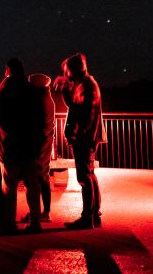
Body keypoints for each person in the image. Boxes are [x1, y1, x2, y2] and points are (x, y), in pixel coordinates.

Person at [0, 58, 45, 234]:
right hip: (29, 145)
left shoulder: (6, 88)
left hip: (11, 146)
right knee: (32, 185)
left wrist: (9, 131)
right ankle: (35, 222)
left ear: (8, 70)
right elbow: (40, 116)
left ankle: (9, 224)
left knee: (9, 186)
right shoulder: (31, 89)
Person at [55, 52, 105, 229]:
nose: (66, 74)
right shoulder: (87, 83)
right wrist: (66, 90)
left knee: (84, 177)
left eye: (67, 71)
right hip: (87, 137)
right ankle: (94, 214)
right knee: (90, 174)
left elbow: (81, 112)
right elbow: (76, 106)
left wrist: (79, 136)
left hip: (84, 138)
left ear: (73, 70)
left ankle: (87, 217)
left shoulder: (86, 86)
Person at [20, 73, 55, 223]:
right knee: (43, 176)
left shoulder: (39, 102)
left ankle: (41, 213)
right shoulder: (48, 100)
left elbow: (33, 124)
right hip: (45, 142)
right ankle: (43, 211)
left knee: (37, 178)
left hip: (39, 144)